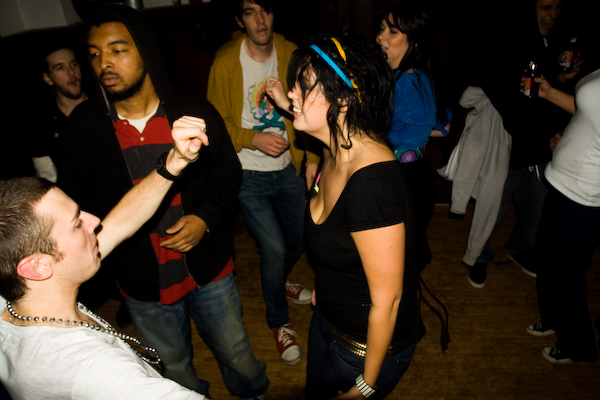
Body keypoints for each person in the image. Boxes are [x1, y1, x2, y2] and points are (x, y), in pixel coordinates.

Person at [59, 5, 268, 399]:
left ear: (146, 50)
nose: (104, 63)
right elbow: (78, 208)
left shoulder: (193, 112)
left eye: (117, 49)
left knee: (236, 350)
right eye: (94, 53)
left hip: (207, 268)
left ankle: (253, 393)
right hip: (141, 283)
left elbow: (227, 175)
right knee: (171, 367)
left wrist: (205, 219)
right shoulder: (84, 130)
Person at [0, 117, 209, 399]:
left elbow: (120, 223)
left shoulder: (15, 300)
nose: (95, 220)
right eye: (77, 223)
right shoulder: (94, 370)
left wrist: (174, 162)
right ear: (37, 266)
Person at [269, 31, 422, 399]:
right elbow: (340, 243)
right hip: (327, 321)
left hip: (362, 350)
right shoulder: (336, 148)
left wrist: (367, 385)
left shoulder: (372, 185)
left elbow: (389, 301)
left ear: (344, 99)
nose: (292, 93)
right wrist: (326, 285)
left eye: (303, 84)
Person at [207, 0, 320, 366]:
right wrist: (252, 138)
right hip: (247, 172)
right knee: (273, 247)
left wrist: (312, 159)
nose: (260, 20)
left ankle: (278, 282)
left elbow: (311, 107)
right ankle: (278, 322)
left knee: (303, 234)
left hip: (288, 167)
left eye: (266, 10)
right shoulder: (226, 61)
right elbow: (215, 121)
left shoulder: (290, 53)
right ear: (240, 19)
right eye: (250, 12)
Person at [465, 0, 581, 287]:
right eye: (546, 7)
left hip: (542, 146)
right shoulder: (509, 40)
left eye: (558, 7)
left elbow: (553, 92)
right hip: (509, 145)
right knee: (494, 207)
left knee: (535, 208)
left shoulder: (560, 40)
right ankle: (479, 257)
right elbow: (495, 88)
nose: (552, 14)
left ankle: (519, 248)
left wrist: (562, 77)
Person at [526, 69, 600, 364]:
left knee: (567, 275)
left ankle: (578, 346)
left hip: (584, 197)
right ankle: (555, 320)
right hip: (561, 185)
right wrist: (551, 94)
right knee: (546, 260)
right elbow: (590, 108)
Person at [375, 3, 451, 273]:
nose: (381, 36)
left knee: (397, 259)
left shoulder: (406, 82)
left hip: (402, 180)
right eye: (382, 29)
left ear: (414, 42)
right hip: (413, 174)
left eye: (392, 31)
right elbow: (444, 126)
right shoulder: (415, 76)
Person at [32, 44, 88, 183]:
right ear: (47, 78)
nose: (71, 72)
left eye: (73, 64)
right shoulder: (44, 126)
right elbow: (48, 179)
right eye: (60, 68)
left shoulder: (105, 109)